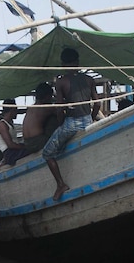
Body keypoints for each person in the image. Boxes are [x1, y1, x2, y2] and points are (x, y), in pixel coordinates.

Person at [42, 47, 99, 202]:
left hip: (71, 124)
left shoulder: (61, 82)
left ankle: (61, 184)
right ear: (78, 62)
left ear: (63, 64)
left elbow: (60, 109)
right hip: (87, 120)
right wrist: (91, 118)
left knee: (46, 153)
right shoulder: (89, 79)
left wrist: (60, 125)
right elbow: (98, 104)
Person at [21, 82, 59, 155]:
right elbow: (60, 114)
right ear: (48, 96)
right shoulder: (45, 108)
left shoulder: (31, 108)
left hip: (27, 144)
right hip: (38, 142)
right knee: (53, 119)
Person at [0, 99, 26, 169]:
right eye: (16, 110)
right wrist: (24, 147)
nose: (17, 113)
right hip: (10, 154)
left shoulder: (9, 123)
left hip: (13, 151)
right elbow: (10, 145)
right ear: (12, 110)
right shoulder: (2, 125)